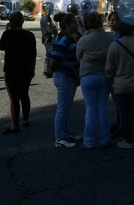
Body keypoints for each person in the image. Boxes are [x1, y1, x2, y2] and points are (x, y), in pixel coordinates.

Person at [105, 21, 134, 149]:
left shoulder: (114, 45)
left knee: (125, 113)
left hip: (121, 85)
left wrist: (112, 79)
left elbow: (109, 68)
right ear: (133, 30)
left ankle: (128, 140)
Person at [76, 12, 114, 150]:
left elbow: (77, 57)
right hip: (104, 75)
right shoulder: (109, 37)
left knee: (90, 109)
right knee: (102, 108)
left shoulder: (84, 40)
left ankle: (89, 141)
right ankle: (105, 139)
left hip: (87, 75)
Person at [0, 12, 37, 134]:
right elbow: (33, 55)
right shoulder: (30, 35)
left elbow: (1, 47)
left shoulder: (7, 34)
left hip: (11, 70)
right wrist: (33, 69)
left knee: (14, 98)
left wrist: (8, 29)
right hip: (26, 69)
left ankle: (15, 125)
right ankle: (25, 119)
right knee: (25, 94)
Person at [49, 13, 82, 148]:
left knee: (67, 106)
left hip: (68, 76)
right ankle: (59, 138)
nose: (77, 25)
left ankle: (66, 133)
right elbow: (54, 61)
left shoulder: (69, 38)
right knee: (63, 107)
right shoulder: (64, 40)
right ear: (67, 26)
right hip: (64, 76)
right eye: (74, 23)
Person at [106, 11, 123, 136]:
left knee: (120, 102)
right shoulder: (111, 35)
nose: (111, 22)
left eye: (114, 20)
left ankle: (121, 125)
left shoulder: (118, 36)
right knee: (117, 102)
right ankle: (118, 123)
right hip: (113, 73)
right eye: (110, 20)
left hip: (118, 73)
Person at [40, 2, 57, 79]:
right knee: (52, 54)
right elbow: (49, 30)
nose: (52, 10)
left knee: (49, 55)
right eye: (51, 8)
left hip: (47, 39)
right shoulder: (46, 18)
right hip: (48, 39)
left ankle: (48, 71)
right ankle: (49, 71)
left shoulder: (46, 17)